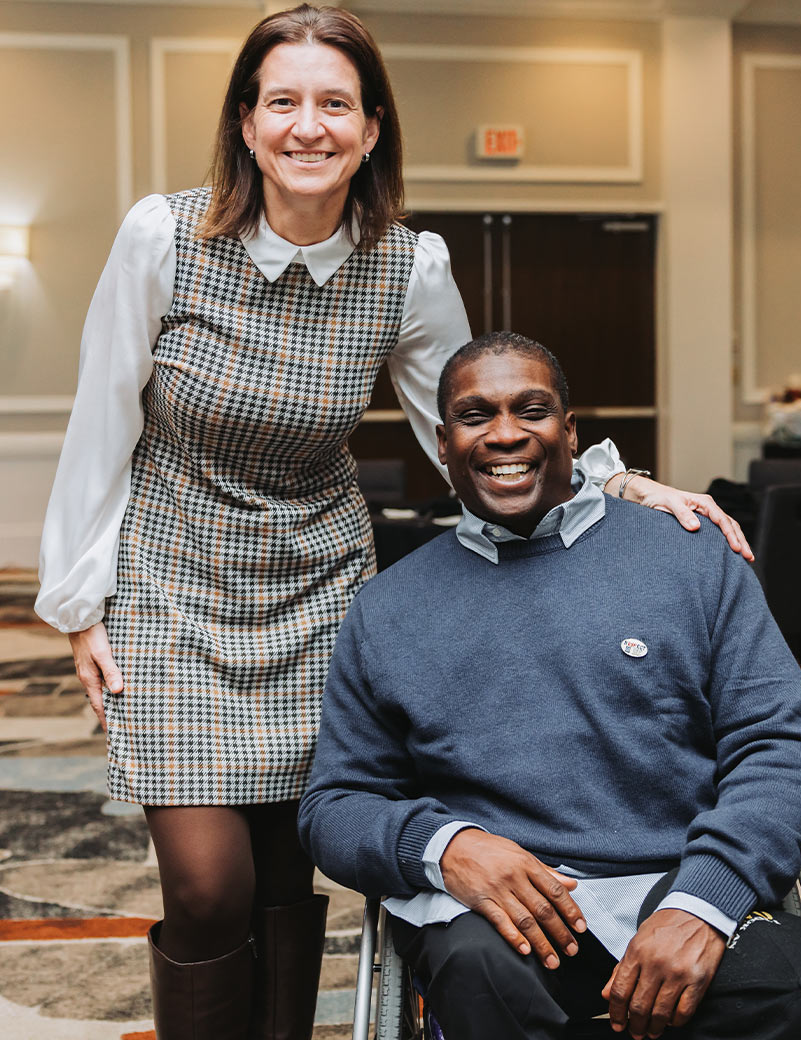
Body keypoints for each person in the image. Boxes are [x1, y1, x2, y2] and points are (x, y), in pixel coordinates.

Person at [35, 6, 751, 1039]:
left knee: (289, 870)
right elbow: (101, 417)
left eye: (336, 103)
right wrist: (77, 606)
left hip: (318, 586)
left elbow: (470, 425)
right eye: (283, 101)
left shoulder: (407, 265)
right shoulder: (164, 236)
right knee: (206, 887)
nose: (308, 126)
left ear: (372, 129)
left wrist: (620, 480)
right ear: (246, 122)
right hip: (173, 584)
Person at [298, 332, 801, 1040]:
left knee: (791, 992)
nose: (505, 434)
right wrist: (447, 847)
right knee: (476, 976)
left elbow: (778, 749)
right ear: (442, 442)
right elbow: (335, 805)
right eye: (475, 415)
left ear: (570, 431)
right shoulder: (387, 607)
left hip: (674, 874)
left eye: (531, 410)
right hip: (501, 908)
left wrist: (704, 902)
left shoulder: (691, 560)